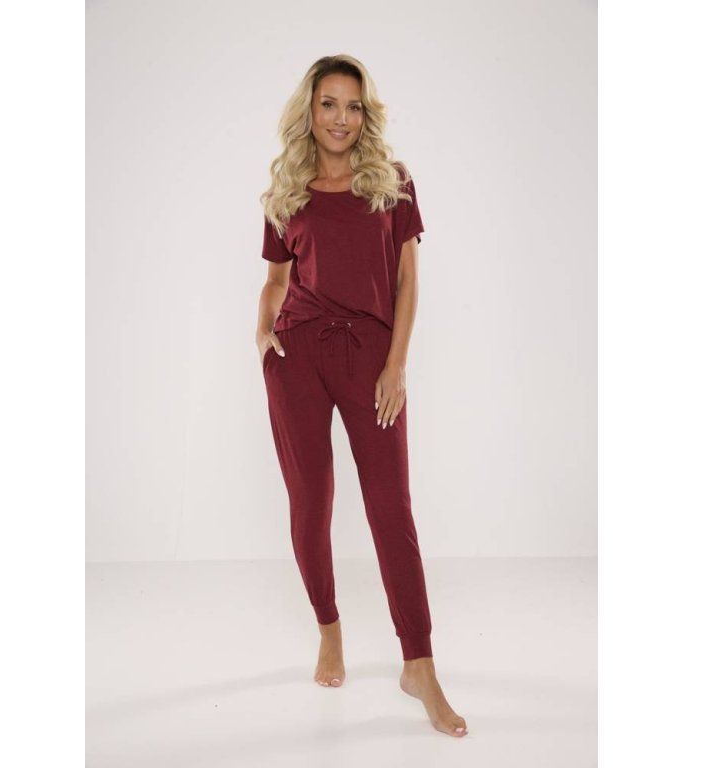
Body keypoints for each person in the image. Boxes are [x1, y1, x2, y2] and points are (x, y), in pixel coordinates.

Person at [255, 55, 468, 739]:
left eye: (352, 106)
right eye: (328, 104)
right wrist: (262, 333)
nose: (341, 118)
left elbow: (407, 282)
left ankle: (419, 665)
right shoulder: (287, 190)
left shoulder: (393, 183)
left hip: (371, 357)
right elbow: (276, 280)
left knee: (389, 508)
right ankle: (329, 628)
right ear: (309, 109)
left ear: (365, 113)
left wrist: (396, 365)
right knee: (311, 501)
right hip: (298, 356)